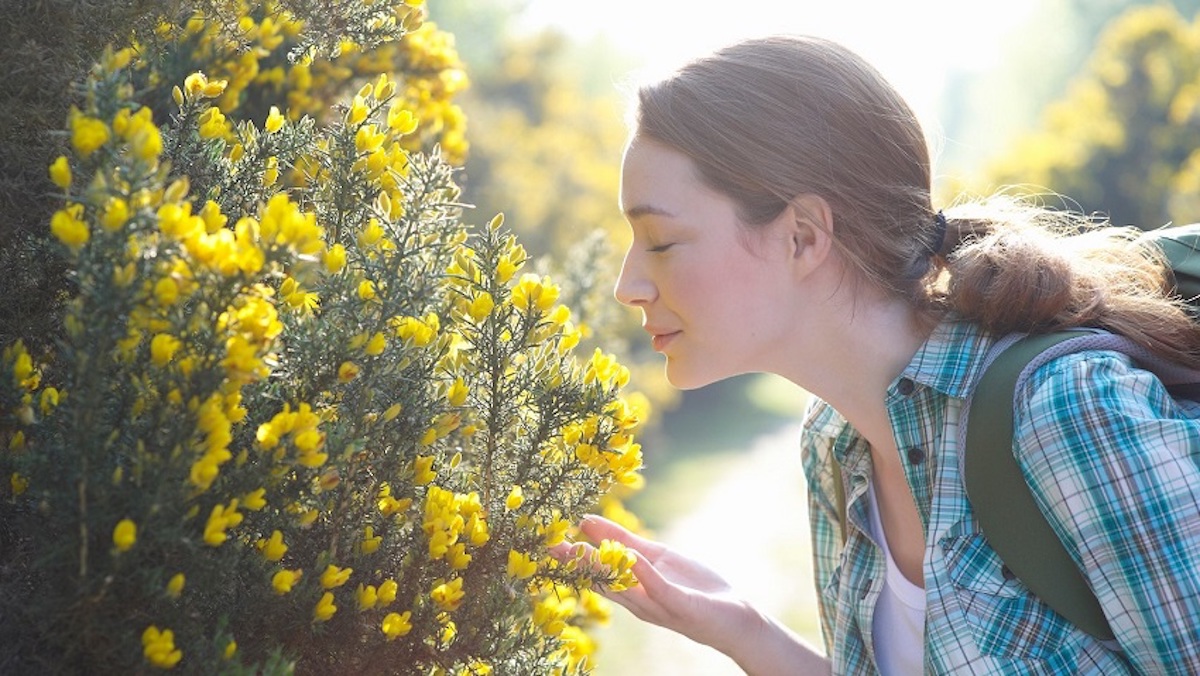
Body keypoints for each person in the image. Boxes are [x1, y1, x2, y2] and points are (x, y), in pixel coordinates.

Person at [556, 34, 1200, 674]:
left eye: (661, 241)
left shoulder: (1066, 410)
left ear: (803, 238)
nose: (627, 284)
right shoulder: (834, 441)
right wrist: (742, 630)